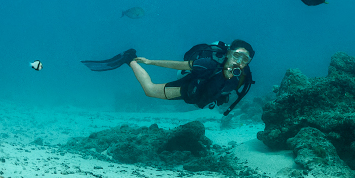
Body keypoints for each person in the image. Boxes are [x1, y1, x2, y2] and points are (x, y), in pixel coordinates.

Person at [81, 40, 255, 113]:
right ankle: (129, 59)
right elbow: (176, 64)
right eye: (236, 55)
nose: (238, 62)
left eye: (244, 59)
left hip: (199, 98)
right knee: (149, 90)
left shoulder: (242, 78)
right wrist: (149, 62)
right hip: (187, 89)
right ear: (228, 54)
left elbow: (225, 90)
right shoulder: (209, 65)